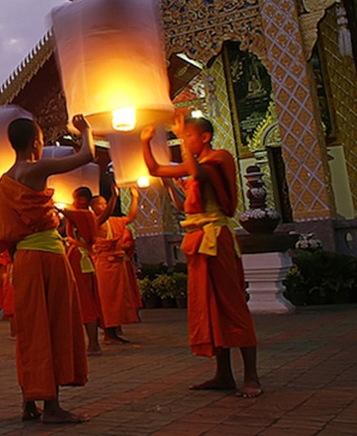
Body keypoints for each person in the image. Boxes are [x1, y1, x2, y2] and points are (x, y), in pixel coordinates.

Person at [142, 113, 261, 398]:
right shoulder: (194, 164)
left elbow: (197, 173)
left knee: (232, 306)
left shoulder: (219, 158)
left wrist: (181, 140)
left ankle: (252, 377)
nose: (184, 141)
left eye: (188, 136)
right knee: (209, 307)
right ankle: (223, 374)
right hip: (198, 240)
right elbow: (155, 169)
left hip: (216, 239)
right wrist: (144, 141)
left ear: (204, 137)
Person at [0, 115, 95, 424]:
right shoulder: (35, 169)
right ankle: (52, 407)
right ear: (35, 142)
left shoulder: (2, 182)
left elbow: (5, 234)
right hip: (47, 256)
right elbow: (86, 155)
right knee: (53, 325)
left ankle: (29, 399)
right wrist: (86, 130)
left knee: (31, 329)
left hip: (23, 260)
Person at [61, 186, 110, 355]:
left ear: (82, 200)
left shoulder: (83, 214)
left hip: (81, 260)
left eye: (74, 199)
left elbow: (64, 211)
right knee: (85, 299)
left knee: (86, 301)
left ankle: (94, 345)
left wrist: (51, 201)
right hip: (81, 259)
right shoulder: (86, 215)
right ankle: (91, 343)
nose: (73, 202)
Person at [91, 185, 140, 344]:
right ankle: (108, 333)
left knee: (118, 299)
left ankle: (114, 331)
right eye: (101, 204)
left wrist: (135, 197)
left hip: (117, 264)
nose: (104, 207)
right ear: (92, 207)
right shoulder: (94, 222)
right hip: (104, 265)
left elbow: (131, 217)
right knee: (107, 300)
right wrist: (114, 197)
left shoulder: (114, 221)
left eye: (106, 203)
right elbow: (103, 216)